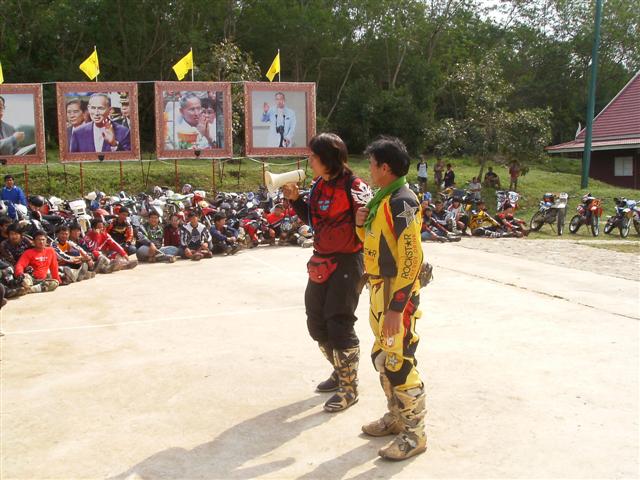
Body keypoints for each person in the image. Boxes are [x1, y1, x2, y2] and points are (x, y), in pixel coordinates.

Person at [283, 132, 371, 413]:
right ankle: (340, 370)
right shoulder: (319, 184)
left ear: (328, 159)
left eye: (314, 156)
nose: (310, 160)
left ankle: (349, 387)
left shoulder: (355, 186)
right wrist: (296, 200)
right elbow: (314, 220)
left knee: (339, 323)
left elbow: (373, 225)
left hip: (348, 261)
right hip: (321, 260)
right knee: (316, 321)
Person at [354, 136, 426, 460]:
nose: (369, 170)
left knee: (399, 363)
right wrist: (360, 226)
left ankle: (415, 434)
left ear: (385, 168)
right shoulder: (381, 201)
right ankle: (397, 418)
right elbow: (376, 245)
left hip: (398, 295)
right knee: (382, 357)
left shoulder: (403, 201)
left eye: (372, 164)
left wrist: (398, 308)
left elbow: (411, 258)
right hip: (379, 292)